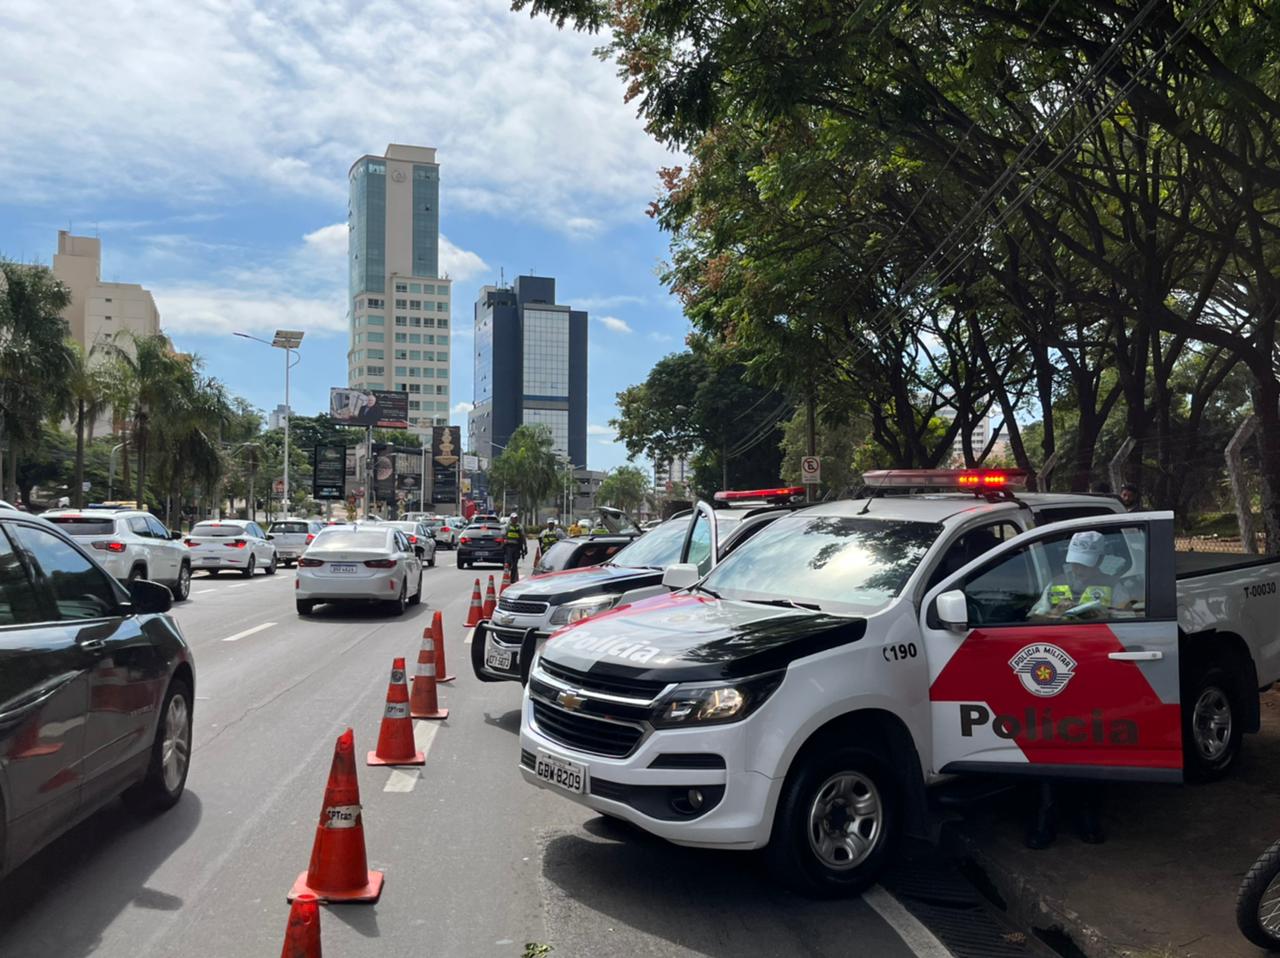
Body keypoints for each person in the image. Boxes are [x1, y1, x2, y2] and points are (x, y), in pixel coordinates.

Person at [1029, 530, 1138, 621]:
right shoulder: (1056, 583)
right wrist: (1055, 612)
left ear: (1100, 560)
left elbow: (1128, 621)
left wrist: (1105, 616)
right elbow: (1033, 620)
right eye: (1075, 564)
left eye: (1085, 564)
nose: (1079, 570)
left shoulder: (1113, 586)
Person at [503, 511, 527, 583]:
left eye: (516, 518)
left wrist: (525, 547)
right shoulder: (507, 526)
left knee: (515, 564)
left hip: (516, 547)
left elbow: (523, 537)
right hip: (509, 547)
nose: (514, 519)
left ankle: (512, 579)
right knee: (508, 562)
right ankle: (506, 577)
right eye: (513, 518)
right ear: (511, 519)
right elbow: (503, 535)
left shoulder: (519, 527)